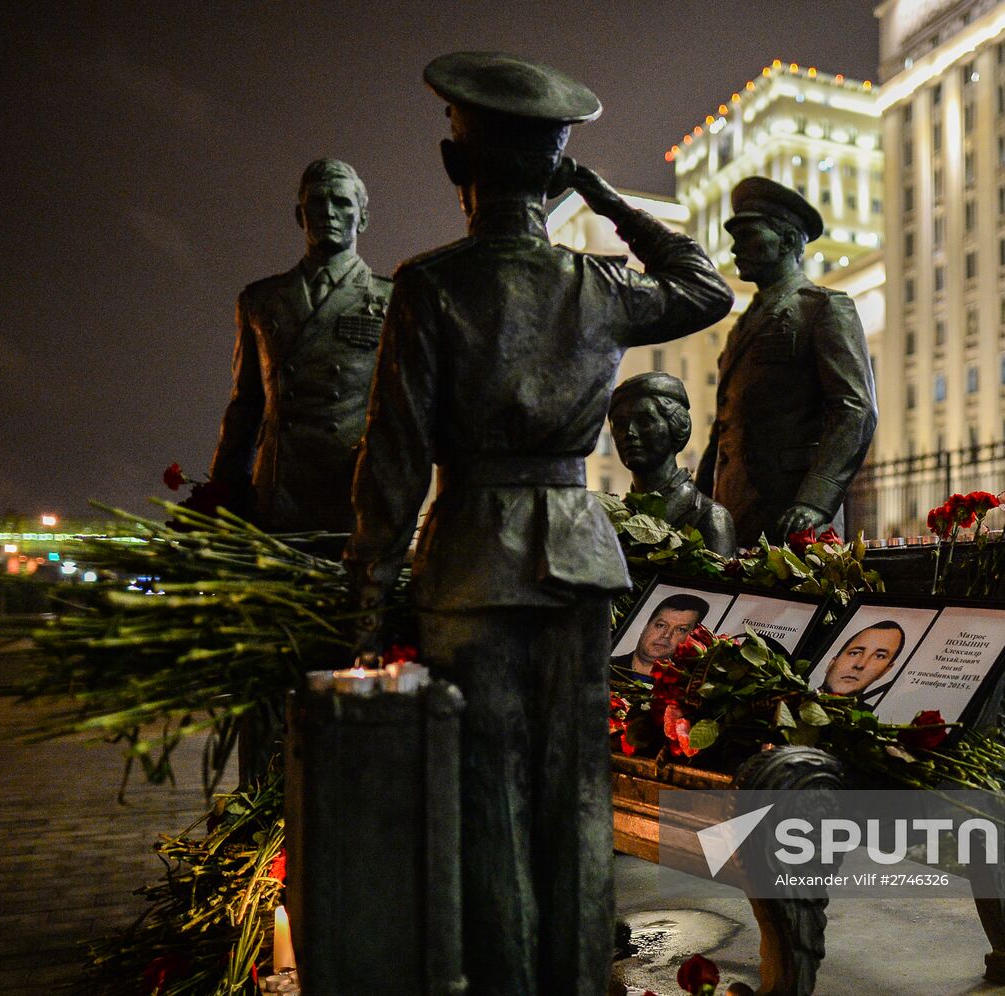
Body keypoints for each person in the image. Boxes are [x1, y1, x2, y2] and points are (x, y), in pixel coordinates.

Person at [345, 52, 732, 996]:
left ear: (454, 167)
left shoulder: (430, 284)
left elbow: (393, 463)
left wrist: (360, 603)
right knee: (577, 794)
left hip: (473, 560)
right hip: (578, 561)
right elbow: (706, 286)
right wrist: (604, 196)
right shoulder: (595, 284)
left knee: (490, 794)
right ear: (557, 171)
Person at [210, 159, 392, 538]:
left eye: (342, 202)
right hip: (277, 496)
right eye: (317, 202)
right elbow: (244, 407)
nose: (328, 212)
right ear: (300, 215)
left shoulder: (393, 298)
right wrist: (221, 495)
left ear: (363, 218)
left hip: (353, 497)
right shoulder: (260, 300)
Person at [695, 176, 878, 546]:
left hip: (795, 517)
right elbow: (726, 428)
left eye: (747, 235)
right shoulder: (742, 326)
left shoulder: (823, 308)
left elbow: (855, 408)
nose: (735, 249)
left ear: (790, 240)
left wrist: (816, 501)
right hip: (735, 512)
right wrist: (701, 502)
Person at [608, 372, 736, 556]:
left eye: (644, 421)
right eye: (619, 425)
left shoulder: (709, 517)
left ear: (675, 426)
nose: (629, 433)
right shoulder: (613, 519)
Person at [611, 592, 711, 677]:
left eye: (681, 629)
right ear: (646, 627)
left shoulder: (684, 687)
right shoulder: (603, 666)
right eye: (661, 625)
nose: (666, 635)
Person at [821, 620, 906, 704]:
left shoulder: (868, 717)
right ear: (831, 662)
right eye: (854, 653)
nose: (860, 665)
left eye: (879, 656)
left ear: (885, 670)